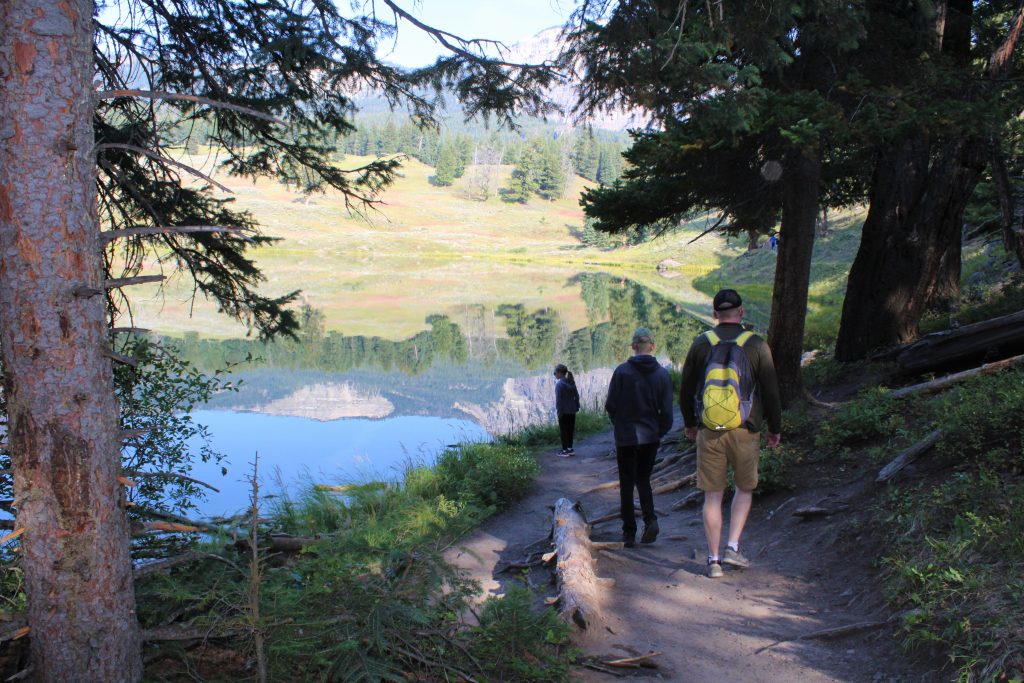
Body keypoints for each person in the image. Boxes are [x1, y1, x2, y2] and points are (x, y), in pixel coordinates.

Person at [680, 289, 782, 578]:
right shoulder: (756, 345)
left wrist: (690, 422)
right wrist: (775, 428)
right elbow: (772, 392)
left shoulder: (702, 343)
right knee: (744, 488)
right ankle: (732, 548)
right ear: (741, 312)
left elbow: (686, 390)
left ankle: (713, 561)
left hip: (709, 430)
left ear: (714, 315)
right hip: (745, 428)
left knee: (712, 496)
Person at [605, 327, 674, 548]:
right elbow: (668, 413)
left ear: (633, 346)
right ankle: (650, 520)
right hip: (650, 437)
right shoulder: (662, 374)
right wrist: (658, 432)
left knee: (626, 483)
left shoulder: (622, 372)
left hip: (626, 437)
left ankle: (628, 532)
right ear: (652, 346)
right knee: (643, 480)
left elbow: (611, 406)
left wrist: (620, 425)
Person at [553, 364, 580, 457]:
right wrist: (576, 407)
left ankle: (564, 451)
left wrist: (559, 412)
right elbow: (577, 396)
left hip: (564, 412)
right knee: (570, 430)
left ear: (560, 373)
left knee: (563, 431)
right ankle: (570, 448)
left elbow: (558, 401)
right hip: (572, 411)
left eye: (555, 373)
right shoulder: (571, 382)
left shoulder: (559, 384)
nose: (554, 374)